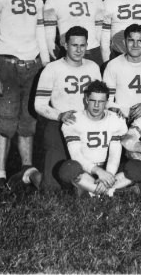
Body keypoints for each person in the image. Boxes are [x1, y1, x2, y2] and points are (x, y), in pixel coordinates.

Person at [0, 0, 49, 188]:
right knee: (7, 122)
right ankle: (0, 174)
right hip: (7, 65)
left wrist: (47, 65)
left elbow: (41, 36)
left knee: (28, 121)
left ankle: (26, 168)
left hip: (33, 64)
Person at [34, 26, 101, 191]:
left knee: (86, 182)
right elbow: (39, 104)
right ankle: (29, 174)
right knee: (50, 188)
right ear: (65, 45)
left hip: (87, 124)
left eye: (82, 45)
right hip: (59, 124)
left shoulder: (93, 67)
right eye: (74, 45)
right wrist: (59, 115)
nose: (78, 50)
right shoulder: (52, 68)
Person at [57, 81, 141, 196]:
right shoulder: (74, 120)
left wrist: (108, 175)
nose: (96, 106)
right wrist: (99, 172)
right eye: (93, 101)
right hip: (85, 170)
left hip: (108, 167)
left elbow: (114, 153)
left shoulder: (115, 119)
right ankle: (112, 191)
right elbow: (76, 156)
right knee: (68, 169)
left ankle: (93, 191)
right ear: (86, 100)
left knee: (138, 167)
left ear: (107, 102)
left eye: (101, 102)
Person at [102, 24, 141, 120]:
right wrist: (115, 109)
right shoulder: (113, 65)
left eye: (139, 41)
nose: (135, 45)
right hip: (123, 117)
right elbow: (106, 100)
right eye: (131, 40)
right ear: (124, 42)